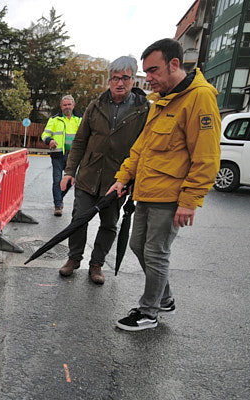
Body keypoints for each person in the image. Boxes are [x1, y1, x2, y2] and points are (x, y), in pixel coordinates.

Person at [107, 39, 221, 331]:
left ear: (174, 64)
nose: (149, 78)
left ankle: (148, 312)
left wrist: (189, 200)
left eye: (154, 70)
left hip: (170, 196)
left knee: (156, 252)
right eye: (146, 72)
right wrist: (123, 178)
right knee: (137, 245)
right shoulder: (161, 101)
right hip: (147, 191)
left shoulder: (200, 98)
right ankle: (165, 297)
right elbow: (141, 148)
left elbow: (206, 156)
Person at [58, 56, 150, 284]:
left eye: (125, 78)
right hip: (88, 176)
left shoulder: (143, 110)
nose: (120, 83)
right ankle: (74, 258)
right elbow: (80, 141)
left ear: (133, 80)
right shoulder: (95, 106)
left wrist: (132, 182)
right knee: (79, 219)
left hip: (117, 180)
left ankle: (96, 264)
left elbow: (145, 149)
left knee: (109, 224)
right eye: (115, 78)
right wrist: (70, 171)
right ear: (109, 80)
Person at [41, 95, 82, 216]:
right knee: (57, 180)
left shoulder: (80, 120)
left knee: (71, 180)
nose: (67, 107)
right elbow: (44, 135)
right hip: (58, 155)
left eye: (69, 104)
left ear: (73, 105)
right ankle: (58, 205)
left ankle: (59, 197)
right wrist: (50, 141)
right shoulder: (54, 120)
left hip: (74, 156)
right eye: (65, 105)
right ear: (61, 106)